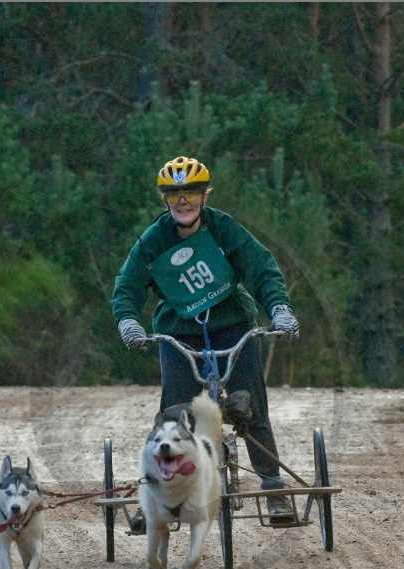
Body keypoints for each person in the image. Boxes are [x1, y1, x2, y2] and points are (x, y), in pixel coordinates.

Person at [111, 156, 299, 527]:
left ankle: (274, 489)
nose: (183, 201)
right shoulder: (155, 239)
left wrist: (279, 309)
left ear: (204, 194)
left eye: (191, 192)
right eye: (175, 194)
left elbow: (261, 267)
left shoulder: (222, 228)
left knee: (250, 406)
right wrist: (129, 322)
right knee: (172, 416)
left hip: (233, 326)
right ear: (165, 199)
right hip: (179, 334)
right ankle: (155, 496)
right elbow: (127, 286)